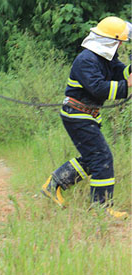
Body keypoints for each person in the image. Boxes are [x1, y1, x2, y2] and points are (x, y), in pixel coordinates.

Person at [41, 16, 131, 219]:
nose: (119, 46)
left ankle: (53, 185)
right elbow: (99, 88)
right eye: (118, 42)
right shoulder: (86, 60)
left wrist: (130, 71)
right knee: (102, 158)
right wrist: (128, 85)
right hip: (77, 115)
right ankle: (101, 208)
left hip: (86, 116)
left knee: (94, 159)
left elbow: (121, 72)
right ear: (110, 41)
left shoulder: (106, 59)